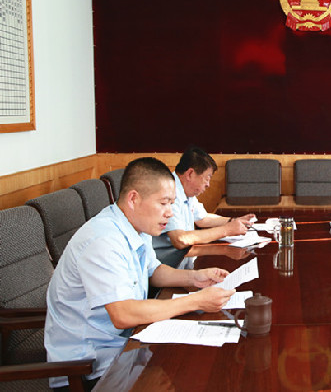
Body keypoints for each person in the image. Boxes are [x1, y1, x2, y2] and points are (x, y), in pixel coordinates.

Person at [45, 157, 235, 390]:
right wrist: (195, 301)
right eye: (164, 203)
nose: (170, 213)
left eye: (172, 204)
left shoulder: (136, 226)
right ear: (134, 198)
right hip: (91, 367)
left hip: (128, 346)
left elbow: (154, 271)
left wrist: (195, 277)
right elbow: (123, 314)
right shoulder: (104, 240)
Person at [152, 147, 255, 263]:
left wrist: (233, 220)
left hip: (184, 260)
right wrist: (226, 230)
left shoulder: (186, 190)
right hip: (168, 266)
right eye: (207, 178)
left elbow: (202, 219)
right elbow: (180, 240)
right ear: (190, 174)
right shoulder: (169, 192)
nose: (208, 185)